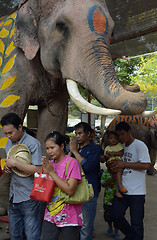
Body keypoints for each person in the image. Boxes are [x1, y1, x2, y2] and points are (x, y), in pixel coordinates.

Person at [0, 112, 43, 240]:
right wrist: (7, 167)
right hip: (14, 196)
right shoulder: (9, 143)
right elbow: (11, 164)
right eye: (5, 133)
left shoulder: (33, 144)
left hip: (30, 196)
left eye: (10, 133)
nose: (8, 136)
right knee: (15, 235)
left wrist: (16, 163)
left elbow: (38, 169)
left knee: (31, 235)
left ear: (20, 127)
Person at [110, 122, 151, 240]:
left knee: (136, 223)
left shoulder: (139, 145)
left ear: (129, 132)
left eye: (122, 134)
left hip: (137, 192)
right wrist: (116, 167)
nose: (120, 137)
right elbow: (123, 167)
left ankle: (134, 236)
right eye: (119, 135)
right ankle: (132, 237)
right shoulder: (124, 148)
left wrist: (124, 163)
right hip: (123, 189)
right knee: (115, 216)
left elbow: (147, 165)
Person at [41, 131, 82, 240]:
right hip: (50, 214)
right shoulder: (51, 164)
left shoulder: (72, 163)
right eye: (47, 148)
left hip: (70, 217)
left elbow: (70, 190)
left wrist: (51, 173)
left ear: (62, 146)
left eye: (52, 147)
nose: (49, 151)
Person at [69, 122, 101, 240]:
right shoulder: (74, 148)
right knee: (74, 224)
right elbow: (66, 165)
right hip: (73, 190)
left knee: (86, 227)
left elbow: (87, 167)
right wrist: (72, 151)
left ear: (88, 134)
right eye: (76, 134)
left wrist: (75, 152)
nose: (77, 136)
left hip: (89, 191)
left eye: (80, 133)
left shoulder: (94, 149)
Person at [101, 161, 121, 239]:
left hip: (118, 199)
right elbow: (103, 184)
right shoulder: (106, 174)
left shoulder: (120, 174)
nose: (114, 168)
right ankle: (110, 228)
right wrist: (112, 179)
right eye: (111, 166)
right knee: (108, 216)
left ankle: (116, 231)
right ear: (108, 167)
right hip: (108, 200)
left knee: (118, 216)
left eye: (115, 166)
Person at [104, 131, 126, 197]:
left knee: (118, 173)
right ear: (108, 140)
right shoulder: (107, 148)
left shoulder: (119, 145)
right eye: (111, 138)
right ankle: (118, 188)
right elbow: (106, 157)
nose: (113, 140)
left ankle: (118, 188)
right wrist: (107, 156)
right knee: (115, 175)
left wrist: (113, 154)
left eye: (115, 138)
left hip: (118, 162)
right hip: (111, 164)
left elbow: (121, 152)